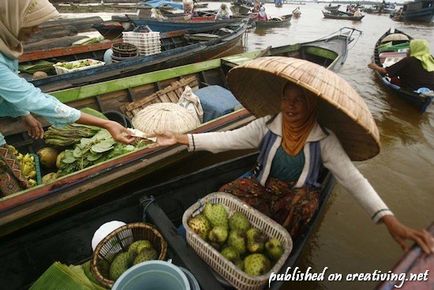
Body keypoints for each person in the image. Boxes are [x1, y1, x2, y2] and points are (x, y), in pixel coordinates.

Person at [154, 57, 434, 254]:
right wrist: (180, 138)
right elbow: (224, 140)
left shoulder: (324, 140)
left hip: (297, 193)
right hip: (263, 186)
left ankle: (275, 244)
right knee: (228, 192)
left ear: (311, 105)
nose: (291, 106)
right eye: (287, 99)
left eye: (299, 100)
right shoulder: (266, 126)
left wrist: (390, 221)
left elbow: (354, 180)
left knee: (301, 206)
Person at [0, 0, 134, 194]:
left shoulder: (6, 46)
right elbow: (35, 99)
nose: (37, 29)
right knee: (13, 197)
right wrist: (106, 124)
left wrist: (24, 114)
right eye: (32, 23)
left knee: (18, 186)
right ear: (12, 20)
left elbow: (9, 88)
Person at [368, 39, 434, 91]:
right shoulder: (431, 59)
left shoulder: (408, 60)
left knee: (393, 78)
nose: (408, 50)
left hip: (412, 88)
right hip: (431, 89)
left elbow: (386, 71)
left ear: (415, 49)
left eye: (410, 48)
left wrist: (375, 67)